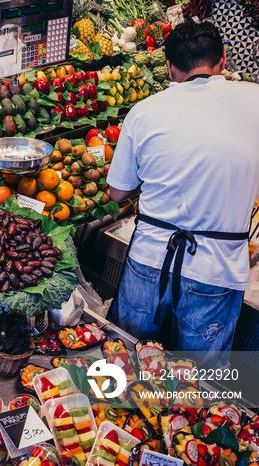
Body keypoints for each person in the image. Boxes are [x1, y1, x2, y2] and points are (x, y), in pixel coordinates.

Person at [107, 21, 259, 368]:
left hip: (148, 261)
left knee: (126, 367)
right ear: (223, 60)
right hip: (215, 270)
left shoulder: (144, 111)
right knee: (197, 386)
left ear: (170, 68)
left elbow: (117, 193)